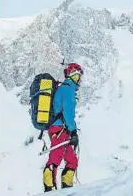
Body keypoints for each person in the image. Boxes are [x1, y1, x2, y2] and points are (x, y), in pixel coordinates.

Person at [42, 63, 83, 192]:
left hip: (61, 130)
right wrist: (74, 131)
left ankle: (67, 189)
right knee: (55, 157)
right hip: (59, 129)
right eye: (78, 76)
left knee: (71, 160)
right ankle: (50, 189)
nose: (80, 79)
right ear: (73, 74)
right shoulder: (68, 89)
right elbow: (68, 113)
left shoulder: (65, 88)